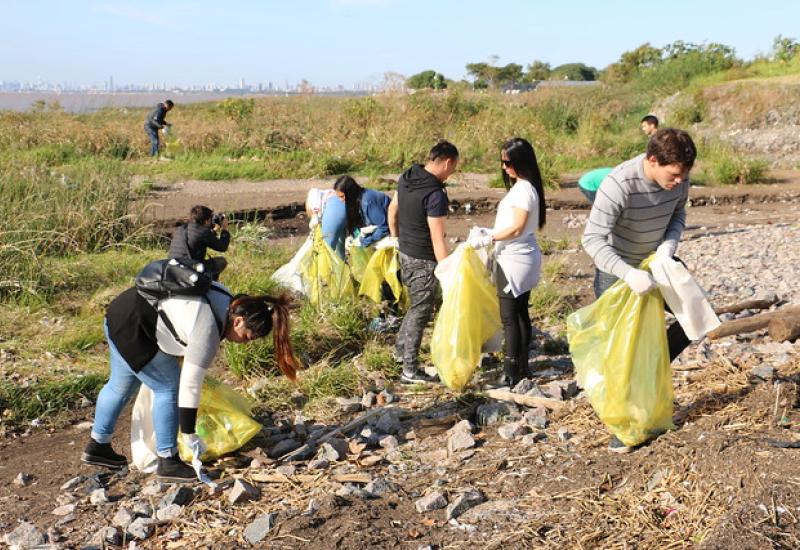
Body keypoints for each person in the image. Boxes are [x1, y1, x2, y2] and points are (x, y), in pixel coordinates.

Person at [82, 283, 299, 482]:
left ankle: (98, 446)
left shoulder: (224, 298)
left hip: (120, 311)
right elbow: (189, 386)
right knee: (169, 387)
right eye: (246, 337)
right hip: (136, 326)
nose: (243, 343)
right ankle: (168, 461)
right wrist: (189, 434)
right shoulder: (209, 330)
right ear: (238, 321)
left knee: (121, 385)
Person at [581, 127, 695, 453]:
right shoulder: (619, 185)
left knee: (695, 319)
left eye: (683, 176)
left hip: (657, 263)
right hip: (618, 271)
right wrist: (629, 274)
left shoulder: (680, 178)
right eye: (672, 175)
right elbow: (591, 240)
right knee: (623, 355)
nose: (678, 182)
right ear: (652, 160)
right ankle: (625, 427)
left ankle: (654, 367)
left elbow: (678, 213)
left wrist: (667, 248)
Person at [468, 138, 546, 387]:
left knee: (510, 317)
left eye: (508, 162)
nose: (504, 167)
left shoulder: (523, 190)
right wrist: (490, 231)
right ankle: (522, 367)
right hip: (522, 256)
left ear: (521, 162)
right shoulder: (528, 187)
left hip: (514, 260)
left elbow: (516, 228)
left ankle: (511, 371)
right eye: (502, 162)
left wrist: (489, 237)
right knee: (520, 313)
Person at [388, 140, 459, 383]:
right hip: (424, 259)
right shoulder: (435, 194)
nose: (451, 173)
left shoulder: (407, 176)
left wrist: (396, 238)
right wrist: (447, 271)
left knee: (416, 305)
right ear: (447, 162)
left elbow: (392, 211)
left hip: (405, 251)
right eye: (453, 168)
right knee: (421, 311)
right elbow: (437, 238)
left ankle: (400, 351)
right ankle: (410, 369)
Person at [167, 205, 230, 278]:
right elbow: (222, 247)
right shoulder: (203, 232)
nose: (211, 222)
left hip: (172, 268)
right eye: (210, 219)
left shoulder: (180, 229)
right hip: (189, 270)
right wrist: (224, 230)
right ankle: (208, 285)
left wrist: (213, 231)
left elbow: (197, 239)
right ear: (206, 221)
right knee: (221, 262)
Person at [333, 175, 391, 248]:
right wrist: (354, 236)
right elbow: (358, 224)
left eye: (342, 196)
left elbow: (383, 227)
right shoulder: (356, 200)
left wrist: (364, 241)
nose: (341, 200)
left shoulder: (368, 202)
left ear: (350, 193)